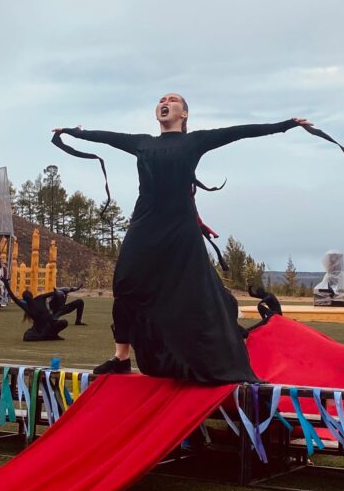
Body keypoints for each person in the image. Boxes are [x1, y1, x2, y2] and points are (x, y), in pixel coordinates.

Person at [54, 95, 312, 382]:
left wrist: (286, 124)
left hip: (180, 224)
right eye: (161, 100)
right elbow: (108, 137)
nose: (165, 102)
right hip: (146, 220)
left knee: (194, 289)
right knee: (125, 282)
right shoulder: (142, 142)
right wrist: (76, 133)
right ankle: (121, 357)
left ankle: (205, 356)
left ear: (184, 113)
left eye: (172, 100)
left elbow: (239, 132)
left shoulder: (195, 141)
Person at [2, 275, 68, 342]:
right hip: (43, 328)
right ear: (31, 295)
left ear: (24, 299)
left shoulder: (31, 303)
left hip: (46, 327)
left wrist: (6, 284)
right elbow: (54, 293)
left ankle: (50, 335)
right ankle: (50, 335)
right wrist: (62, 292)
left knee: (64, 322)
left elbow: (14, 298)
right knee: (63, 322)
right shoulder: (37, 299)